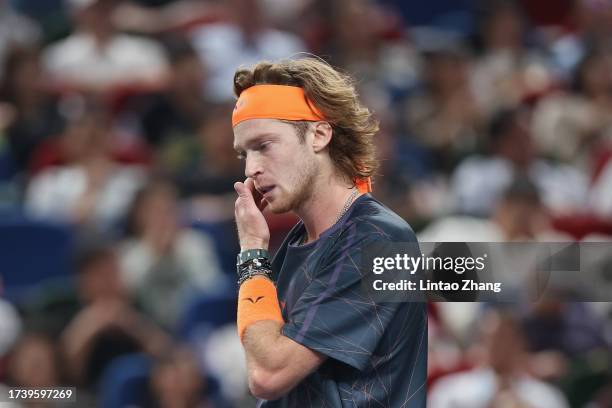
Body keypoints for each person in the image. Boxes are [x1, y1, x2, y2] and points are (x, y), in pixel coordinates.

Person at [231, 58, 427, 406]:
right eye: (244, 153)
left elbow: (267, 373)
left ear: (319, 135)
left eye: (263, 145)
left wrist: (251, 251)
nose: (251, 169)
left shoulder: (377, 239)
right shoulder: (298, 243)